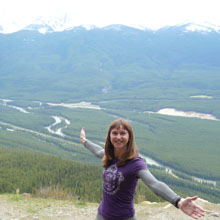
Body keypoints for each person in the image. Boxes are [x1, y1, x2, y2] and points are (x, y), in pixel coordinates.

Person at [80, 118, 205, 220]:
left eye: (123, 133)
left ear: (129, 137)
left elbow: (155, 184)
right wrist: (85, 142)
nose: (118, 137)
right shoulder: (109, 155)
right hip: (102, 215)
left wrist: (178, 201)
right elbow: (98, 151)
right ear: (109, 136)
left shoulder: (136, 163)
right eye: (115, 133)